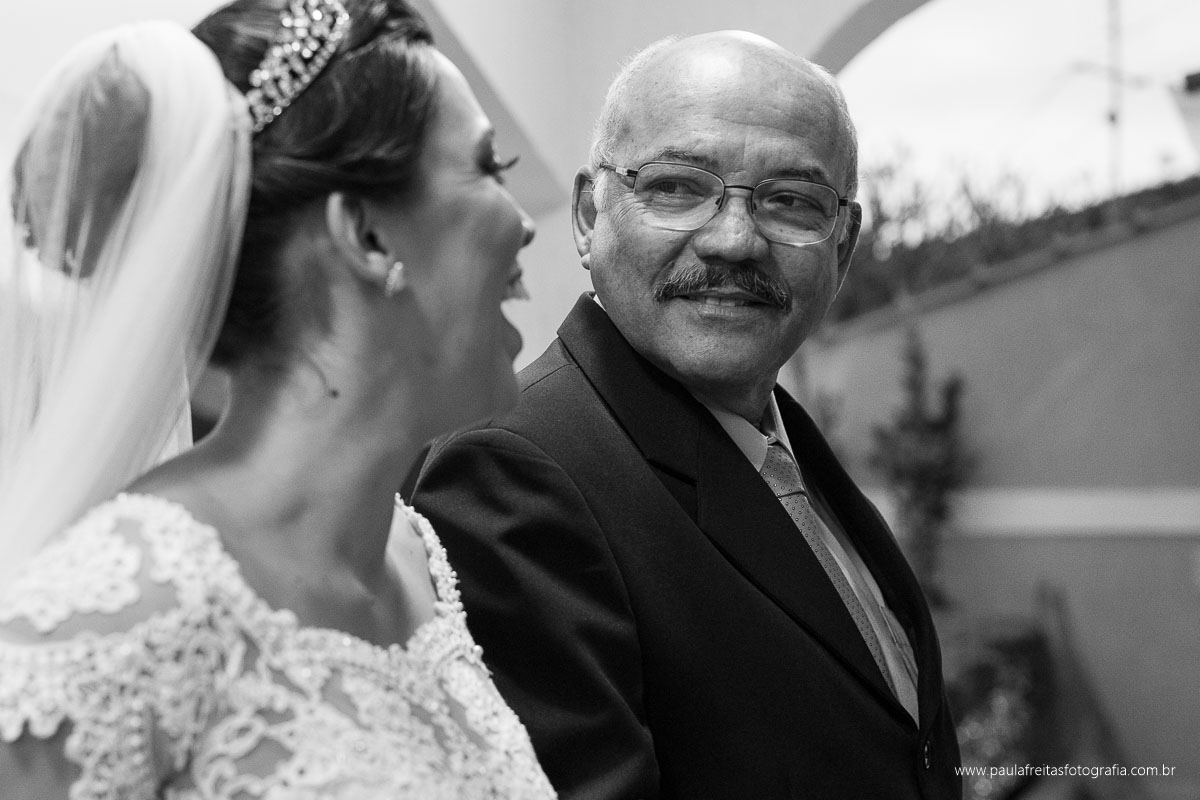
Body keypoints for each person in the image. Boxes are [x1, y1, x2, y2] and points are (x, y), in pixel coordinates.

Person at [0, 1, 556, 797]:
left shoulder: (412, 554)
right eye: (487, 167)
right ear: (366, 235)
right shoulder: (116, 615)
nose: (523, 221)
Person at [408, 31, 963, 799]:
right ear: (585, 216)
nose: (735, 238)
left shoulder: (784, 450)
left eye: (792, 201)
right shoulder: (513, 477)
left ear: (843, 243)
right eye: (676, 187)